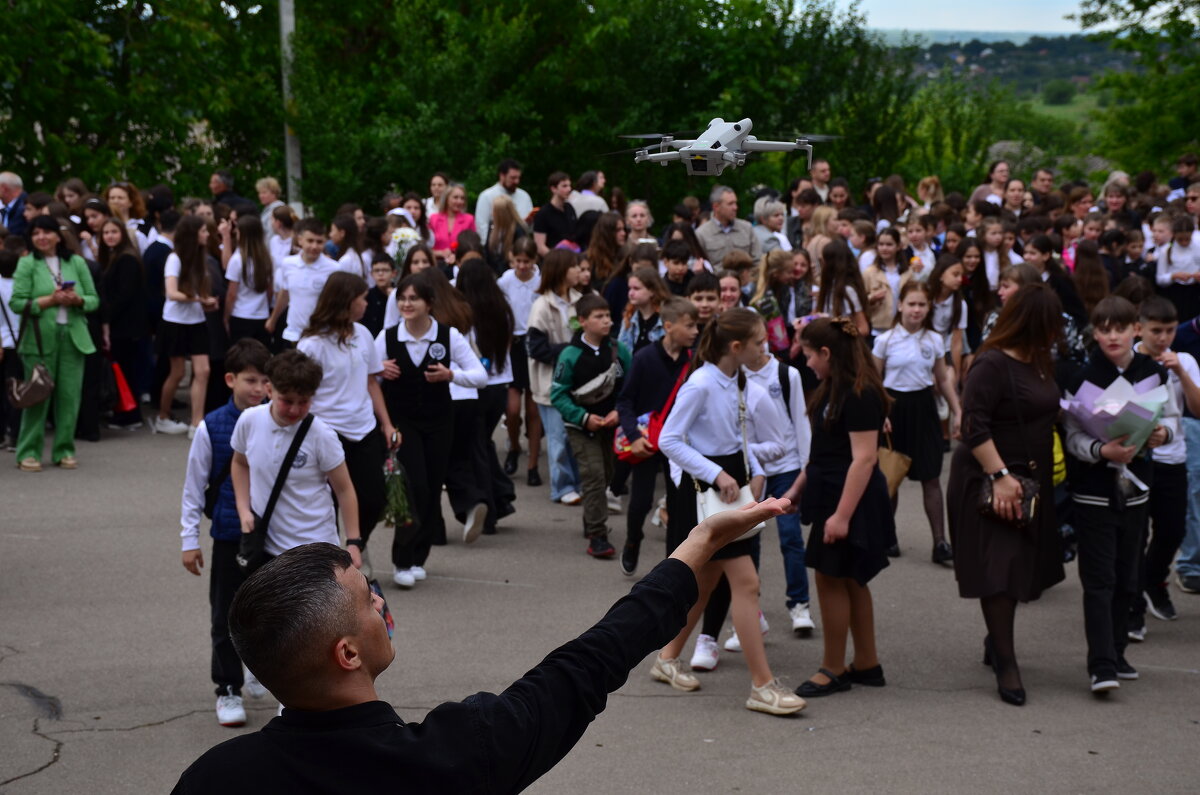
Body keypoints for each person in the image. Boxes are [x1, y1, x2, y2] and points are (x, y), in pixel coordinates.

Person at [172, 493, 788, 793]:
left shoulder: (214, 778)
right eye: (368, 598)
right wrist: (702, 540)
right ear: (347, 654)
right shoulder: (455, 755)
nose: (383, 602)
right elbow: (589, 662)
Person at [653, 309, 805, 716]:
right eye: (759, 343)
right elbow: (669, 439)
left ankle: (666, 659)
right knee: (747, 582)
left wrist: (753, 471)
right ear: (736, 347)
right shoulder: (701, 383)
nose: (765, 348)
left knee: (705, 585)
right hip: (705, 492)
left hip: (730, 485)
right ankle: (761, 685)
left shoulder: (734, 378)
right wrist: (718, 473)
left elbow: (742, 435)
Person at [948, 284, 1065, 705]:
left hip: (1030, 480)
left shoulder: (1038, 359)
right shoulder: (991, 364)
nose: (1057, 332)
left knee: (1019, 568)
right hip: (989, 478)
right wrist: (999, 474)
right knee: (1000, 568)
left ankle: (995, 639)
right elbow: (973, 425)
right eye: (1051, 324)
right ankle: (1006, 660)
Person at [1064, 295, 1177, 694]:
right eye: (1104, 329)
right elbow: (1074, 434)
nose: (1112, 336)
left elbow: (1173, 419)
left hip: (1137, 488)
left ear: (1135, 330)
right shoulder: (1082, 375)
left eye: (1120, 328)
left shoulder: (1153, 372)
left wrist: (1163, 433)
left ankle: (1118, 650)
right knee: (1099, 579)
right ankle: (1102, 664)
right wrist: (1101, 450)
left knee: (1128, 576)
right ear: (1094, 334)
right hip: (1093, 490)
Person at [786, 317, 895, 699]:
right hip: (834, 493)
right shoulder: (834, 387)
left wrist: (842, 516)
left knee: (830, 577)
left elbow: (864, 460)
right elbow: (822, 453)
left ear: (828, 353)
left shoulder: (859, 393)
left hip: (849, 500)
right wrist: (799, 488)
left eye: (810, 353)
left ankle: (833, 668)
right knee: (850, 578)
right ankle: (867, 662)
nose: (806, 360)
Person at [179, 339, 271, 727]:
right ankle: (228, 688)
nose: (259, 389)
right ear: (230, 379)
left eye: (266, 381)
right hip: (230, 535)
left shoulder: (279, 420)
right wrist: (189, 540)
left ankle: (262, 669)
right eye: (250, 380)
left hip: (275, 535)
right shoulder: (212, 427)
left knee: (273, 612)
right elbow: (193, 486)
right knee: (226, 614)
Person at [376, 272, 487, 588]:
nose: (406, 304)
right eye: (402, 298)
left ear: (429, 303)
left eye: (414, 298)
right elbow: (365, 375)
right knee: (415, 488)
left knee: (433, 487)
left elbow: (479, 375)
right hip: (403, 422)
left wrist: (451, 375)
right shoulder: (386, 337)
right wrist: (378, 367)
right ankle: (401, 559)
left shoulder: (448, 336)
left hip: (440, 422)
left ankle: (417, 557)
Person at [298, 273, 397, 573]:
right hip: (327, 432)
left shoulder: (364, 334)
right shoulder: (312, 344)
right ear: (345, 301)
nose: (367, 303)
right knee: (329, 503)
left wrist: (387, 424)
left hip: (364, 429)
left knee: (375, 497)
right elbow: (304, 392)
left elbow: (371, 382)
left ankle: (356, 545)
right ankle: (332, 565)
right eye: (362, 298)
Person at [231, 349, 362, 570]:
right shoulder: (249, 421)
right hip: (268, 547)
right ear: (269, 389)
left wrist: (354, 542)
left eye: (303, 402)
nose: (294, 409)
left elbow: (344, 489)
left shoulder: (322, 435)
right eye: (287, 400)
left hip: (314, 548)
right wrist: (243, 509)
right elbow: (239, 463)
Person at [1127, 296, 1200, 638]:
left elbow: (1196, 410)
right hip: (1137, 460)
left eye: (1170, 330)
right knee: (1136, 532)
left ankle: (1152, 580)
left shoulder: (1183, 359)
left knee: (1172, 530)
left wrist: (1180, 372)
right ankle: (1133, 608)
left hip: (1174, 459)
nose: (1164, 338)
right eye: (1157, 331)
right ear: (1140, 328)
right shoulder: (1127, 358)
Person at [873, 282, 962, 563]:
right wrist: (881, 414)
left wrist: (957, 409)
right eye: (911, 304)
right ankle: (888, 537)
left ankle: (940, 543)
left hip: (924, 409)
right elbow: (874, 382)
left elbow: (942, 379)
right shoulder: (885, 340)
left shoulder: (934, 340)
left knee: (931, 476)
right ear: (900, 306)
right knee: (891, 476)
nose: (916, 310)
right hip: (894, 408)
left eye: (922, 305)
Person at [616, 296, 698, 574]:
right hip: (648, 441)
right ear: (668, 326)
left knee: (678, 504)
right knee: (641, 501)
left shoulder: (695, 359)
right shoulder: (644, 358)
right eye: (689, 326)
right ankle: (632, 540)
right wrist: (633, 436)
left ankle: (671, 567)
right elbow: (625, 401)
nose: (695, 331)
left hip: (679, 444)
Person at [9, 216, 99, 471]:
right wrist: (49, 300)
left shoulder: (76, 261)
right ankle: (28, 452)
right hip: (38, 341)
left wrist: (77, 300)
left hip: (73, 338)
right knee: (37, 397)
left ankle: (64, 450)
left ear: (58, 236)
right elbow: (17, 303)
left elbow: (94, 300)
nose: (41, 237)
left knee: (70, 398)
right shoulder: (27, 264)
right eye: (36, 233)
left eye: (46, 232)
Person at [743, 325, 814, 633]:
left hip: (785, 466)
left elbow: (801, 421)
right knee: (749, 541)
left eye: (762, 341)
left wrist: (805, 468)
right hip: (750, 470)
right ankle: (750, 610)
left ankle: (799, 605)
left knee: (790, 537)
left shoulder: (787, 375)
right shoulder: (733, 376)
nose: (759, 347)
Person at [551, 294, 632, 558]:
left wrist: (619, 412)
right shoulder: (570, 354)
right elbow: (558, 395)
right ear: (582, 321)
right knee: (594, 475)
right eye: (599, 317)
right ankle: (598, 534)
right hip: (581, 427)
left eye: (608, 315)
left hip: (611, 425)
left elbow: (630, 388)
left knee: (608, 475)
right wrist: (583, 418)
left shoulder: (619, 351)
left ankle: (592, 515)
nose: (607, 321)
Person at [457, 260, 518, 532]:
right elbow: (507, 345)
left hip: (477, 386)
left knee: (477, 448)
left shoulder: (467, 312)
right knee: (484, 444)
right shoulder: (503, 308)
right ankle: (502, 496)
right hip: (500, 382)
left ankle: (491, 509)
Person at [527, 250, 584, 504]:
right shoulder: (541, 306)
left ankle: (578, 482)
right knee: (557, 437)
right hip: (550, 384)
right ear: (562, 270)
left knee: (574, 436)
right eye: (574, 266)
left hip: (576, 384)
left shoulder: (581, 300)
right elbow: (536, 348)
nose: (579, 271)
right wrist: (569, 352)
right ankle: (561, 487)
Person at [155, 215, 220, 436]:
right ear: (193, 234)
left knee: (203, 370)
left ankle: (196, 422)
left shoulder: (201, 258)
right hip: (174, 322)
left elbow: (194, 293)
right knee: (178, 372)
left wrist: (205, 303)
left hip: (196, 320)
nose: (207, 234)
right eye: (203, 231)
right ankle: (163, 416)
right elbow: (172, 293)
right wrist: (201, 300)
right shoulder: (174, 258)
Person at [266, 218, 357, 345]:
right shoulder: (288, 263)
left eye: (319, 242)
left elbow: (340, 302)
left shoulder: (334, 268)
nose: (314, 246)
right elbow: (285, 293)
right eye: (310, 241)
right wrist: (273, 319)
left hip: (322, 334)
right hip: (294, 332)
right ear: (300, 240)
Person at [497, 237, 543, 482]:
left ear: (534, 261)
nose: (522, 266)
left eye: (527, 261)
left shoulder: (541, 280)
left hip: (534, 343)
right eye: (518, 261)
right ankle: (514, 446)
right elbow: (501, 313)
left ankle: (533, 465)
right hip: (513, 344)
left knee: (534, 409)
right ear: (512, 259)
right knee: (513, 409)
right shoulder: (505, 281)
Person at [97, 217, 148, 429]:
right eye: (106, 232)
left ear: (122, 235)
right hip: (123, 324)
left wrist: (106, 318)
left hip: (126, 326)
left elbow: (124, 295)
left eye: (114, 232)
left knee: (126, 371)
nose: (110, 236)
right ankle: (126, 411)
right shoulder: (114, 257)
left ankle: (131, 414)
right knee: (124, 370)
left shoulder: (126, 259)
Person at [223, 215, 274, 347]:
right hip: (261, 315)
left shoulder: (237, 259)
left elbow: (231, 294)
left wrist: (226, 316)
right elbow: (270, 289)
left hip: (240, 315)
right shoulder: (266, 258)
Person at [696, 186, 761, 266]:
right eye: (730, 204)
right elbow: (699, 264)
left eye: (735, 203)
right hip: (717, 277)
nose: (735, 207)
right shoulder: (702, 233)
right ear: (716, 207)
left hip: (746, 277)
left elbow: (757, 260)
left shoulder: (747, 228)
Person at [474, 159, 533, 245]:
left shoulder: (524, 196)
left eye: (518, 177)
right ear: (502, 176)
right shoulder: (486, 196)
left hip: (520, 247)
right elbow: (482, 227)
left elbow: (529, 229)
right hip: (496, 247)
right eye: (513, 178)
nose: (517, 181)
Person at [533, 171, 577, 255]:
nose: (569, 189)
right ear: (553, 189)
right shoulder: (543, 214)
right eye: (564, 186)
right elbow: (540, 246)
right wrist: (556, 261)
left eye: (569, 185)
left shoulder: (569, 208)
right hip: (553, 262)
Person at [429, 183, 474, 264]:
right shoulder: (433, 219)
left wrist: (457, 256)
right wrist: (441, 253)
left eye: (462, 198)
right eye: (455, 197)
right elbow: (426, 247)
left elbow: (472, 247)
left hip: (460, 264)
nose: (459, 201)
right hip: (437, 264)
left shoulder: (469, 219)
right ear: (447, 198)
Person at [362, 255, 394, 337]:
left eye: (385, 270)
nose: (380, 274)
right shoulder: (366, 296)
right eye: (376, 271)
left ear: (393, 273)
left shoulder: (400, 295)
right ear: (371, 274)